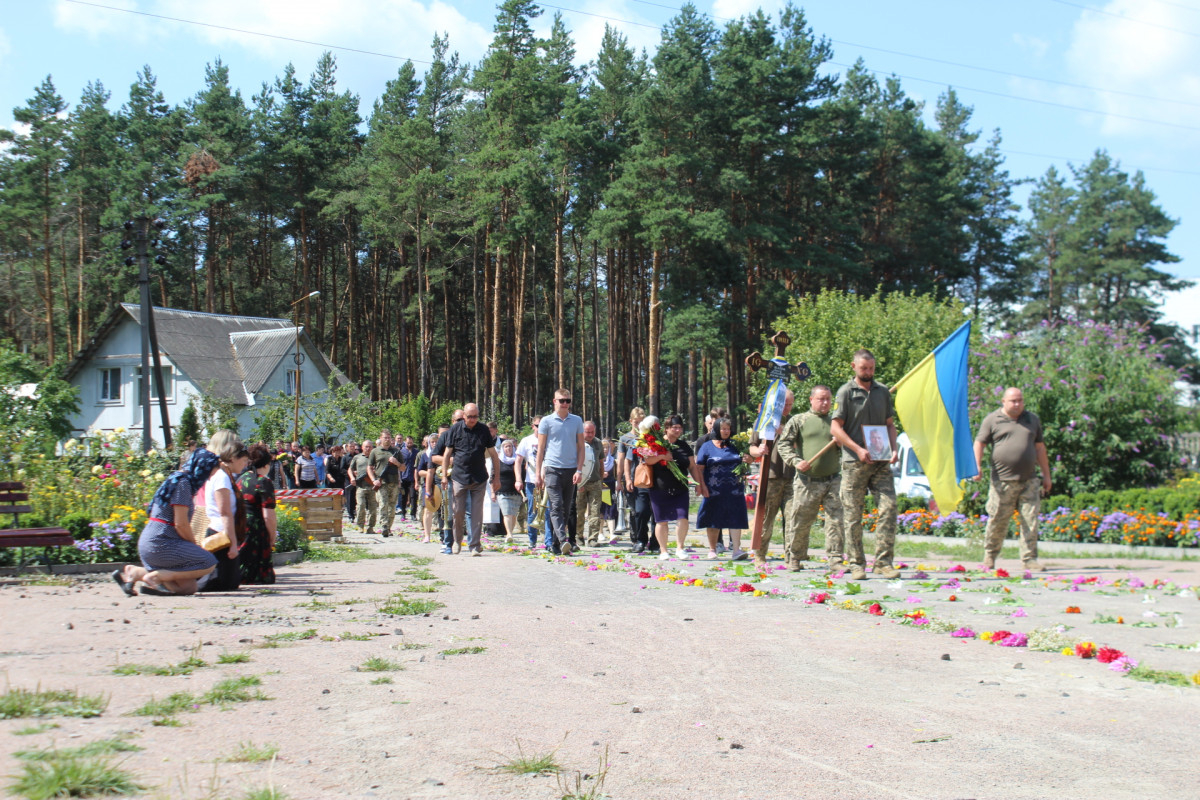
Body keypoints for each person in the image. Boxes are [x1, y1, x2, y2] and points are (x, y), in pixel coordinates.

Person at [831, 349, 901, 581]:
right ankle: (856, 563)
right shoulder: (845, 393)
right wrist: (858, 449)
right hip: (855, 462)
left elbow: (890, 424)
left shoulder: (882, 392)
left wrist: (894, 448)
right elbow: (835, 428)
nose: (868, 372)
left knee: (889, 508)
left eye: (871, 368)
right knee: (852, 515)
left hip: (880, 462)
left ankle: (883, 562)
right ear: (854, 366)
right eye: (864, 369)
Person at [113, 447, 221, 596]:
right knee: (208, 562)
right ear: (201, 469)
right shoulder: (183, 484)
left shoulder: (175, 480)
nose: (208, 479)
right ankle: (159, 577)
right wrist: (194, 546)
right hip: (161, 543)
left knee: (188, 588)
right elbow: (180, 524)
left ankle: (137, 573)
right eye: (209, 474)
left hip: (153, 541)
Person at [974, 387, 1052, 572]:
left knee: (1030, 520)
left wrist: (1046, 475)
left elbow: (1040, 448)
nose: (1017, 404)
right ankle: (990, 557)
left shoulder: (1032, 419)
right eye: (1013, 401)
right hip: (1002, 481)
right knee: (998, 520)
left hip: (1029, 480)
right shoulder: (993, 420)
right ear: (1004, 401)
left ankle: (1029, 559)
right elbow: (979, 443)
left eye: (1020, 400)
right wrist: (976, 466)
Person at [777, 385, 845, 570]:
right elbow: (783, 444)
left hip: (833, 480)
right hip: (807, 480)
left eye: (828, 399)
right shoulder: (799, 420)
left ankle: (836, 559)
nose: (825, 403)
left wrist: (841, 443)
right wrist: (795, 461)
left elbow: (847, 448)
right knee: (800, 521)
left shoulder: (836, 423)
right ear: (811, 399)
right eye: (821, 399)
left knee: (836, 521)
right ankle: (795, 557)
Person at [438, 403, 500, 555]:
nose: (473, 419)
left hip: (479, 477)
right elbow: (446, 455)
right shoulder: (455, 430)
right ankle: (457, 542)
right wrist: (445, 476)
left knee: (477, 513)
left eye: (475, 416)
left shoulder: (484, 430)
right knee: (458, 512)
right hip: (459, 476)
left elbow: (494, 455)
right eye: (470, 417)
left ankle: (474, 546)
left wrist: (496, 478)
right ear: (464, 416)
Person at [642, 414, 701, 561]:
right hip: (659, 487)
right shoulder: (657, 443)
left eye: (680, 427)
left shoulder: (684, 446)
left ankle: (680, 548)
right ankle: (663, 550)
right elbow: (647, 461)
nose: (678, 430)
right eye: (674, 427)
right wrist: (662, 457)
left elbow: (692, 466)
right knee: (661, 520)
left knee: (683, 517)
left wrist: (698, 484)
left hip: (680, 488)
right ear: (666, 429)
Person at [748, 389, 795, 569]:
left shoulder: (795, 421)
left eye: (790, 405)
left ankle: (792, 556)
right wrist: (758, 451)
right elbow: (751, 448)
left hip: (792, 477)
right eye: (785, 405)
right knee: (766, 518)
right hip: (772, 476)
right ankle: (760, 555)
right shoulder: (764, 421)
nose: (787, 408)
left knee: (792, 518)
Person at [199, 430, 250, 592]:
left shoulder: (223, 475)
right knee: (224, 583)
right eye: (243, 461)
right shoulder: (221, 477)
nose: (245, 465)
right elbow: (225, 512)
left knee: (231, 582)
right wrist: (233, 543)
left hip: (223, 532)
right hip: (220, 533)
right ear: (233, 458)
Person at [536, 388, 585, 556]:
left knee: (565, 508)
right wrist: (538, 473)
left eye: (568, 401)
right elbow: (541, 449)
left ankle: (556, 544)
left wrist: (579, 469)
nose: (565, 404)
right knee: (556, 506)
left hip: (571, 469)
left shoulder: (577, 420)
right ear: (554, 401)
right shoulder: (546, 421)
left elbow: (581, 448)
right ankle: (564, 540)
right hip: (552, 468)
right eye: (561, 400)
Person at [695, 417, 749, 560]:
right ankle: (712, 549)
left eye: (728, 429)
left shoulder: (735, 445)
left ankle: (736, 550)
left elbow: (745, 460)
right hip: (713, 490)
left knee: (735, 518)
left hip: (734, 489)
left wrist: (747, 460)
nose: (726, 431)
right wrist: (701, 486)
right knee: (713, 519)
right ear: (716, 429)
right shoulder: (707, 446)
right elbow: (699, 468)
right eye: (723, 428)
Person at [237, 444, 278, 584]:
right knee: (261, 577)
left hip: (240, 526)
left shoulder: (240, 480)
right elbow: (268, 516)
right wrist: (272, 537)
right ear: (266, 465)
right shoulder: (263, 482)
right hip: (256, 529)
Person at [617, 407, 655, 554]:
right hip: (633, 479)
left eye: (641, 422)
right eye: (636, 422)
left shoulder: (650, 437)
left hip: (649, 480)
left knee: (649, 511)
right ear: (631, 422)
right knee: (636, 511)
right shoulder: (625, 439)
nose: (639, 426)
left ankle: (652, 540)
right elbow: (622, 461)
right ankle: (637, 538)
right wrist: (621, 480)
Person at [515, 415, 549, 548]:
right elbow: (518, 461)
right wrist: (518, 479)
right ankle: (532, 541)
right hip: (531, 480)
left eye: (542, 426)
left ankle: (548, 541)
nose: (539, 428)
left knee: (548, 510)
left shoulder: (550, 439)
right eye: (537, 426)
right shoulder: (526, 440)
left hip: (548, 480)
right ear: (532, 426)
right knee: (532, 511)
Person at [575, 420, 606, 548]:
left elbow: (601, 462)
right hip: (580, 482)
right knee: (579, 511)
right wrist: (578, 483)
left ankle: (593, 538)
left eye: (592, 432)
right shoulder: (577, 442)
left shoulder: (598, 443)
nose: (590, 434)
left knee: (595, 511)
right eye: (587, 432)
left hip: (595, 482)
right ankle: (578, 536)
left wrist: (601, 479)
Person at [369, 429, 402, 537]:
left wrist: (396, 462)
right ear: (381, 438)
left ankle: (388, 527)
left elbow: (403, 467)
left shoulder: (396, 451)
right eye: (385, 438)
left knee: (392, 507)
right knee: (383, 504)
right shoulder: (375, 451)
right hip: (381, 482)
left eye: (389, 437)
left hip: (394, 482)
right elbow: (369, 467)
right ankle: (383, 525)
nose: (387, 440)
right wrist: (374, 480)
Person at [495, 437, 524, 544]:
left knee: (513, 514)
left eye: (510, 446)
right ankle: (509, 534)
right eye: (506, 446)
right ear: (503, 448)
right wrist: (493, 491)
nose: (508, 449)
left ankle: (510, 532)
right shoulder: (498, 461)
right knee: (506, 513)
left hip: (516, 491)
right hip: (502, 491)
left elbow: (522, 474)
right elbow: (493, 475)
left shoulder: (518, 460)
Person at [415, 434, 439, 544]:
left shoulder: (442, 455)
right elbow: (419, 471)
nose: (434, 443)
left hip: (441, 484)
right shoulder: (425, 455)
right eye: (432, 442)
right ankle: (427, 536)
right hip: (428, 485)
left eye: (436, 441)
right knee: (428, 510)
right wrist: (430, 473)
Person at [350, 440, 377, 532]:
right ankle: (360, 525)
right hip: (361, 486)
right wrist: (352, 478)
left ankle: (371, 527)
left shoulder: (375, 458)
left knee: (373, 508)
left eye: (370, 447)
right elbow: (350, 469)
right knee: (361, 505)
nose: (368, 448)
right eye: (366, 446)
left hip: (373, 486)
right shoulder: (357, 457)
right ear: (362, 447)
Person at [600, 438, 618, 542]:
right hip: (601, 487)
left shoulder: (613, 461)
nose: (605, 450)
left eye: (607, 447)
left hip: (611, 487)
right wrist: (601, 474)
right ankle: (600, 532)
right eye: (603, 448)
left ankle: (612, 533)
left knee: (611, 508)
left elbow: (616, 475)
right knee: (601, 509)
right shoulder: (597, 461)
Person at [398, 436, 418, 523]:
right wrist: (399, 478)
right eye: (408, 442)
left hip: (413, 477)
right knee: (403, 496)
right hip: (404, 477)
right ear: (405, 442)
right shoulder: (401, 452)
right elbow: (399, 466)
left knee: (413, 496)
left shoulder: (416, 452)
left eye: (411, 442)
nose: (409, 444)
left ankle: (413, 514)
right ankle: (403, 512)